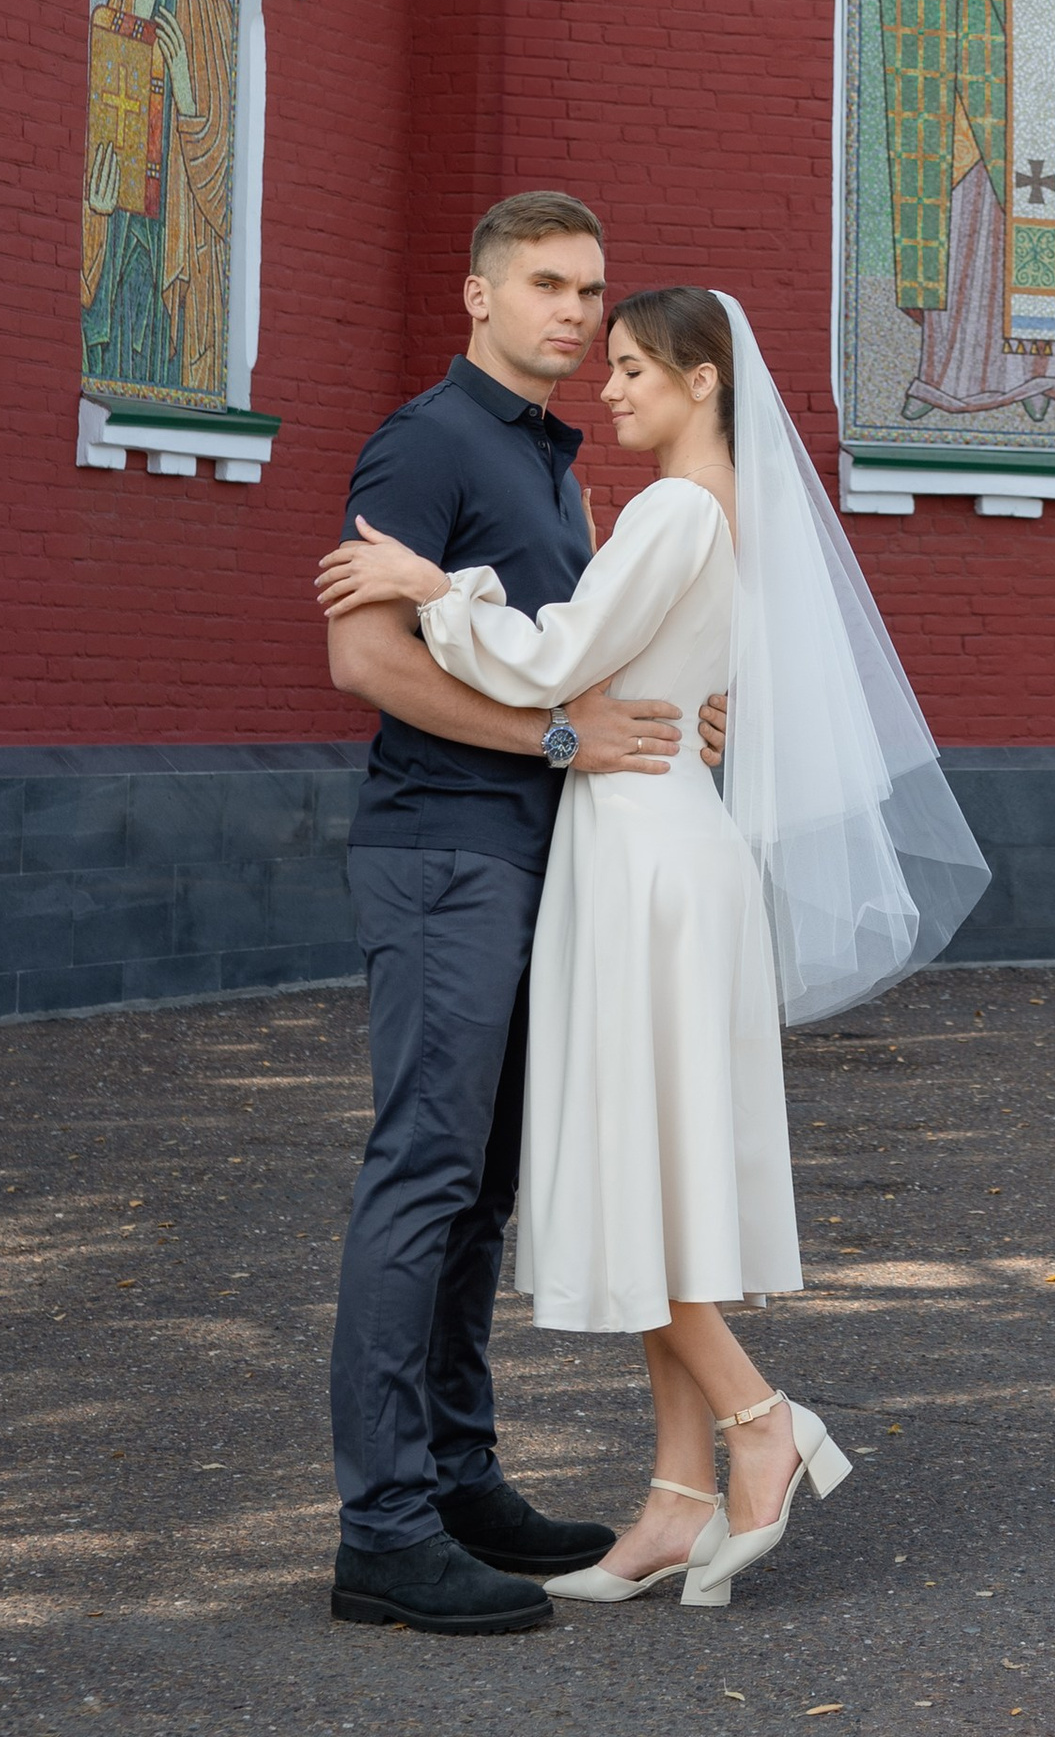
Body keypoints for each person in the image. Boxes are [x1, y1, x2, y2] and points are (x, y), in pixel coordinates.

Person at [318, 283, 990, 1612]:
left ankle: (760, 1422)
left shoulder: (678, 509)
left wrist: (428, 581)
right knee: (662, 1178)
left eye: (631, 367)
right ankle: (679, 1501)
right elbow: (655, 678)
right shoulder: (723, 516)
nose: (606, 386)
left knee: (630, 1174)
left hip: (640, 855)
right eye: (602, 359)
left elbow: (552, 654)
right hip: (667, 838)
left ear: (701, 383)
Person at [317, 194, 728, 1640]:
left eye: (594, 291)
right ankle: (382, 1530)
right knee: (425, 1174)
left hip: (535, 862)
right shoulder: (428, 442)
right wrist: (560, 742)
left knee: (483, 1191)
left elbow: (570, 663)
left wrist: (670, 715)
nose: (578, 312)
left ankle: (458, 1481)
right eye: (547, 285)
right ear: (476, 294)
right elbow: (364, 655)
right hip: (445, 855)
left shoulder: (556, 467)